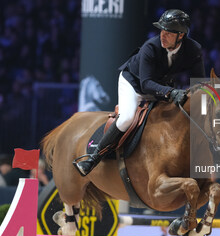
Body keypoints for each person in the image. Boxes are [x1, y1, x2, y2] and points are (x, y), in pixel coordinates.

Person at [74, 9, 205, 176]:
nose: (162, 36)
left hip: (160, 86)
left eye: (168, 33)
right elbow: (146, 83)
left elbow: (199, 82)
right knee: (127, 117)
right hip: (134, 83)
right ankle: (93, 158)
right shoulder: (151, 47)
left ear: (181, 36)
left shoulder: (193, 50)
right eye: (161, 31)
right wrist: (171, 92)